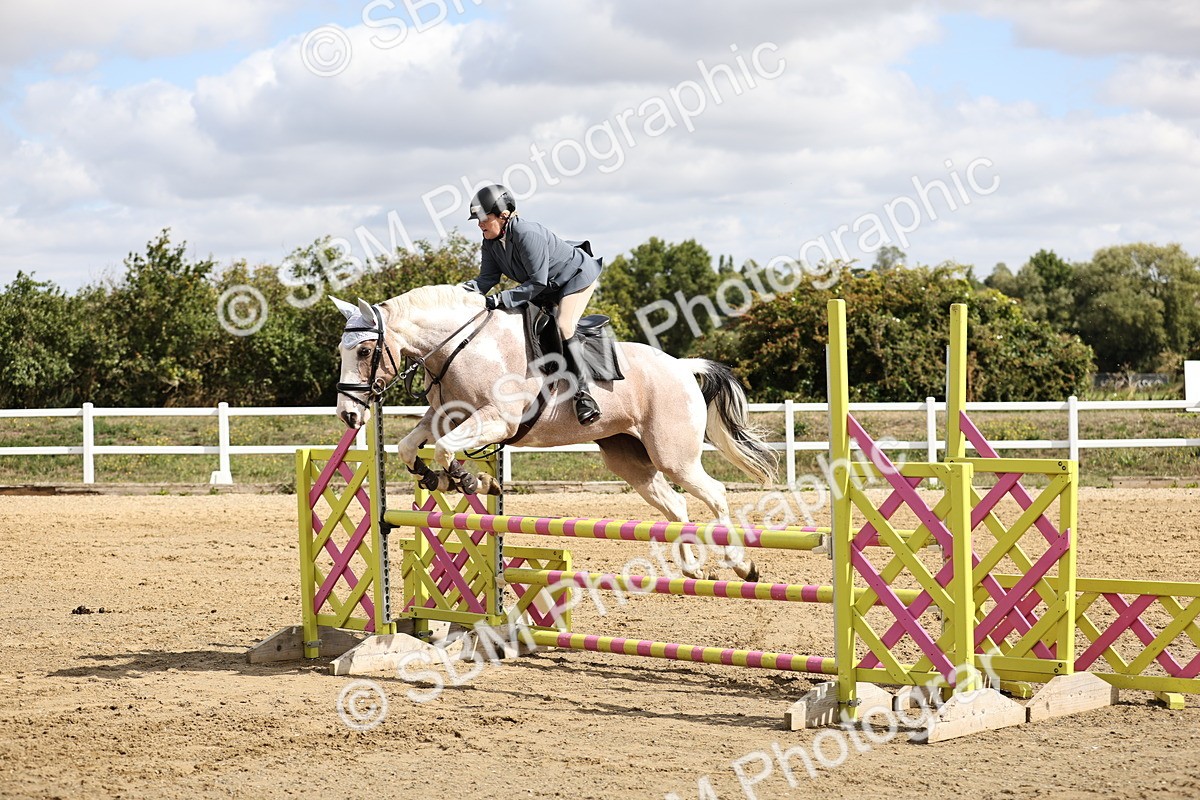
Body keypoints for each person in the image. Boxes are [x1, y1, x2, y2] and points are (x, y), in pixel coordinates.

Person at [460, 184, 604, 425]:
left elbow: (537, 282)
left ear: (503, 215)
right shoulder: (490, 241)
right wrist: (459, 294)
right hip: (546, 286)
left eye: (484, 218)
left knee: (564, 325)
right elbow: (487, 280)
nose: (479, 224)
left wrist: (500, 299)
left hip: (575, 277)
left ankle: (583, 395)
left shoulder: (527, 233)